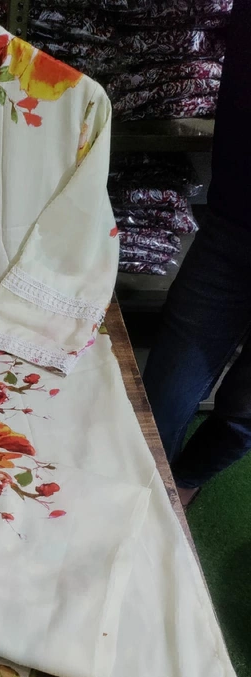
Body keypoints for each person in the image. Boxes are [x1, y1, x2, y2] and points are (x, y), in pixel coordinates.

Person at [143, 0, 251, 508]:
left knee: (243, 409)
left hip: (234, 210)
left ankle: (183, 486)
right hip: (236, 215)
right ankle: (148, 486)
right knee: (164, 388)